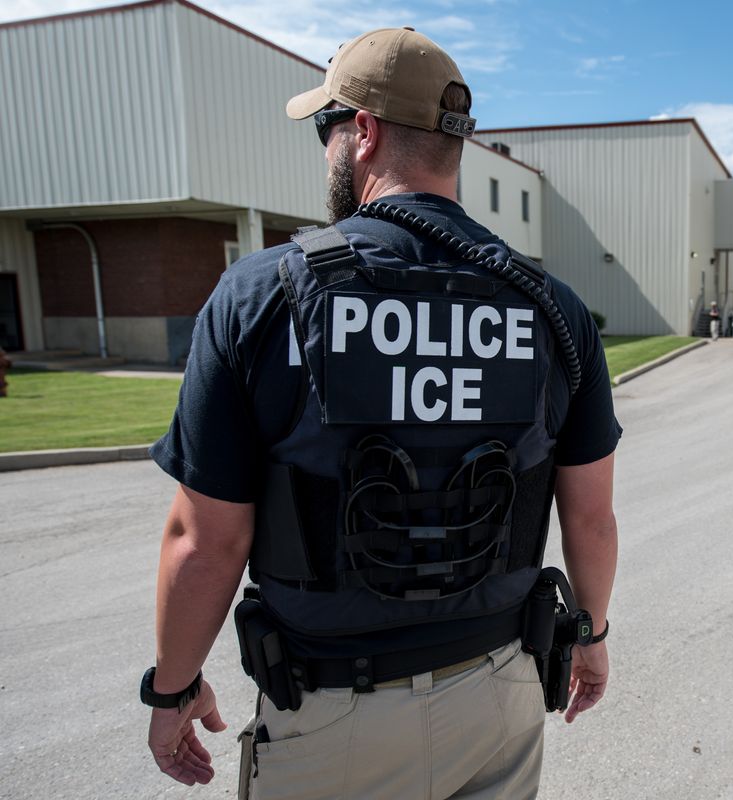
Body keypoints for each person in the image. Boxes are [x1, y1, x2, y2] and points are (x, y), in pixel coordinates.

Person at [141, 27, 620, 800]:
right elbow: (590, 519)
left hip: (332, 717)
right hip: (498, 694)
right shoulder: (552, 308)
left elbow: (205, 538)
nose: (324, 148)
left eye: (326, 129)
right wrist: (591, 636)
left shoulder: (264, 295)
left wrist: (172, 690)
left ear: (360, 133)